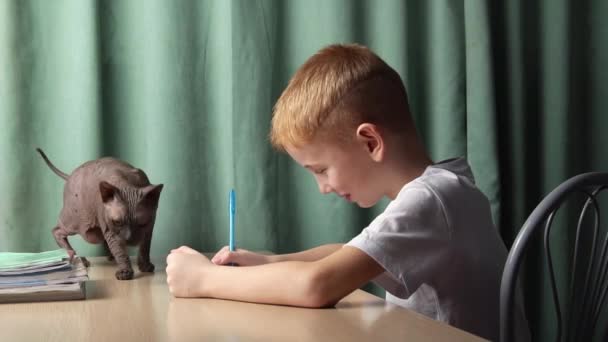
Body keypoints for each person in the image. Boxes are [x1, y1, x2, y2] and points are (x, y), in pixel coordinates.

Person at [166, 43, 529, 341]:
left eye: (321, 170)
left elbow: (318, 286)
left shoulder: (430, 199)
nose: (323, 188)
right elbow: (349, 254)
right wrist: (267, 262)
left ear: (370, 141)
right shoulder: (446, 185)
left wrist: (204, 279)